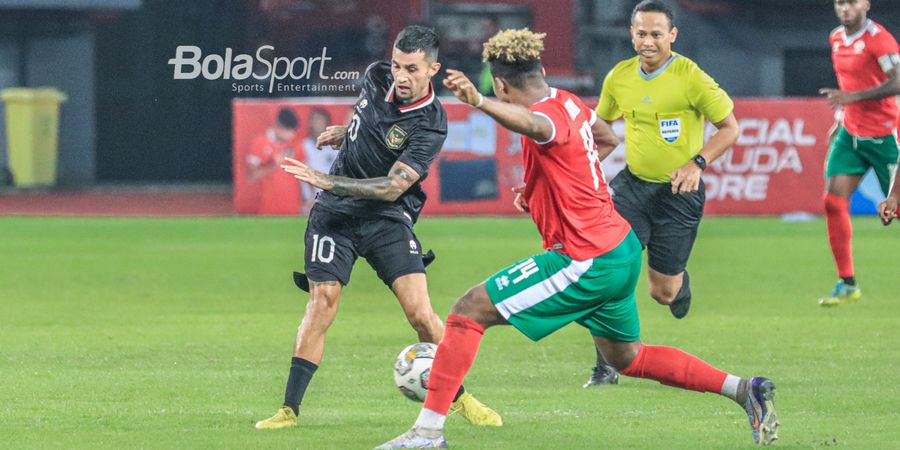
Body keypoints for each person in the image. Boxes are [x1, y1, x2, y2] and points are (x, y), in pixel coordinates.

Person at [376, 28, 778, 449]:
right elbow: (604, 137)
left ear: (499, 85)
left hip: (585, 256)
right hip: (618, 248)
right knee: (629, 358)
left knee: (467, 311)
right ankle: (743, 389)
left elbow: (534, 125)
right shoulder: (568, 101)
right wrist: (542, 188)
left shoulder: (544, 116)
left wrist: (479, 103)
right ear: (543, 70)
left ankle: (426, 433)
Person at [253, 25, 501, 430]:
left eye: (412, 69)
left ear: (433, 69)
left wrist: (328, 180)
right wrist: (345, 135)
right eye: (397, 65)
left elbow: (392, 187)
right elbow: (365, 118)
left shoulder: (432, 123)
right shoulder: (376, 76)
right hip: (334, 215)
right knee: (323, 303)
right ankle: (288, 411)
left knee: (421, 314)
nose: (401, 76)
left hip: (386, 215)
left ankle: (461, 398)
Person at [585, 0, 740, 387]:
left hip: (678, 192)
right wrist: (576, 171)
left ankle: (679, 283)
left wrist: (696, 164)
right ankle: (605, 364)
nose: (648, 41)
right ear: (631, 33)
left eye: (656, 34)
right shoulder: (619, 77)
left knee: (662, 293)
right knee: (604, 269)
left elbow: (729, 128)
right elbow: (601, 135)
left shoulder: (691, 77)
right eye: (641, 33)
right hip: (632, 187)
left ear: (672, 35)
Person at [817, 0, 900, 306]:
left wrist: (853, 97)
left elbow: (899, 81)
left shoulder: (879, 40)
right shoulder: (836, 38)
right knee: (833, 201)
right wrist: (840, 120)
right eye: (840, 3)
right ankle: (847, 282)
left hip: (885, 136)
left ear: (865, 4)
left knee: (896, 209)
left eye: (851, 2)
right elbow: (845, 83)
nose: (844, 8)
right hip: (851, 134)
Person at [246, 108, 304, 215]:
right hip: (268, 208)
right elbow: (252, 175)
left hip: (293, 208)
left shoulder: (296, 144)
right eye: (288, 131)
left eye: (293, 131)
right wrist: (274, 165)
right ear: (278, 126)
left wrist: (309, 199)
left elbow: (304, 173)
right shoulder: (260, 142)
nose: (292, 135)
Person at [300, 108, 337, 213]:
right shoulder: (303, 146)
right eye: (314, 120)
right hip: (308, 202)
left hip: (332, 200)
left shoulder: (335, 148)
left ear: (327, 124)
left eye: (320, 120)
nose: (317, 124)